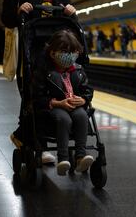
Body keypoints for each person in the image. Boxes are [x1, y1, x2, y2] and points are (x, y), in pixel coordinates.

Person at [1, 0, 77, 163]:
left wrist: (71, 10)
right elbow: (6, 19)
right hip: (30, 51)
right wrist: (18, 11)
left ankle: (26, 135)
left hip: (56, 52)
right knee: (34, 97)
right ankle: (38, 144)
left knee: (58, 94)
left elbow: (67, 14)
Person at [32, 30, 94, 175]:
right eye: (65, 51)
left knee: (82, 116)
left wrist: (84, 99)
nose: (69, 55)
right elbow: (36, 96)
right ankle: (63, 159)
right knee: (63, 119)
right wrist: (57, 103)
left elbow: (87, 89)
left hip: (74, 105)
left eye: (73, 52)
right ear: (52, 53)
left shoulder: (78, 70)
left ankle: (80, 157)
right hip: (54, 106)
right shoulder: (44, 71)